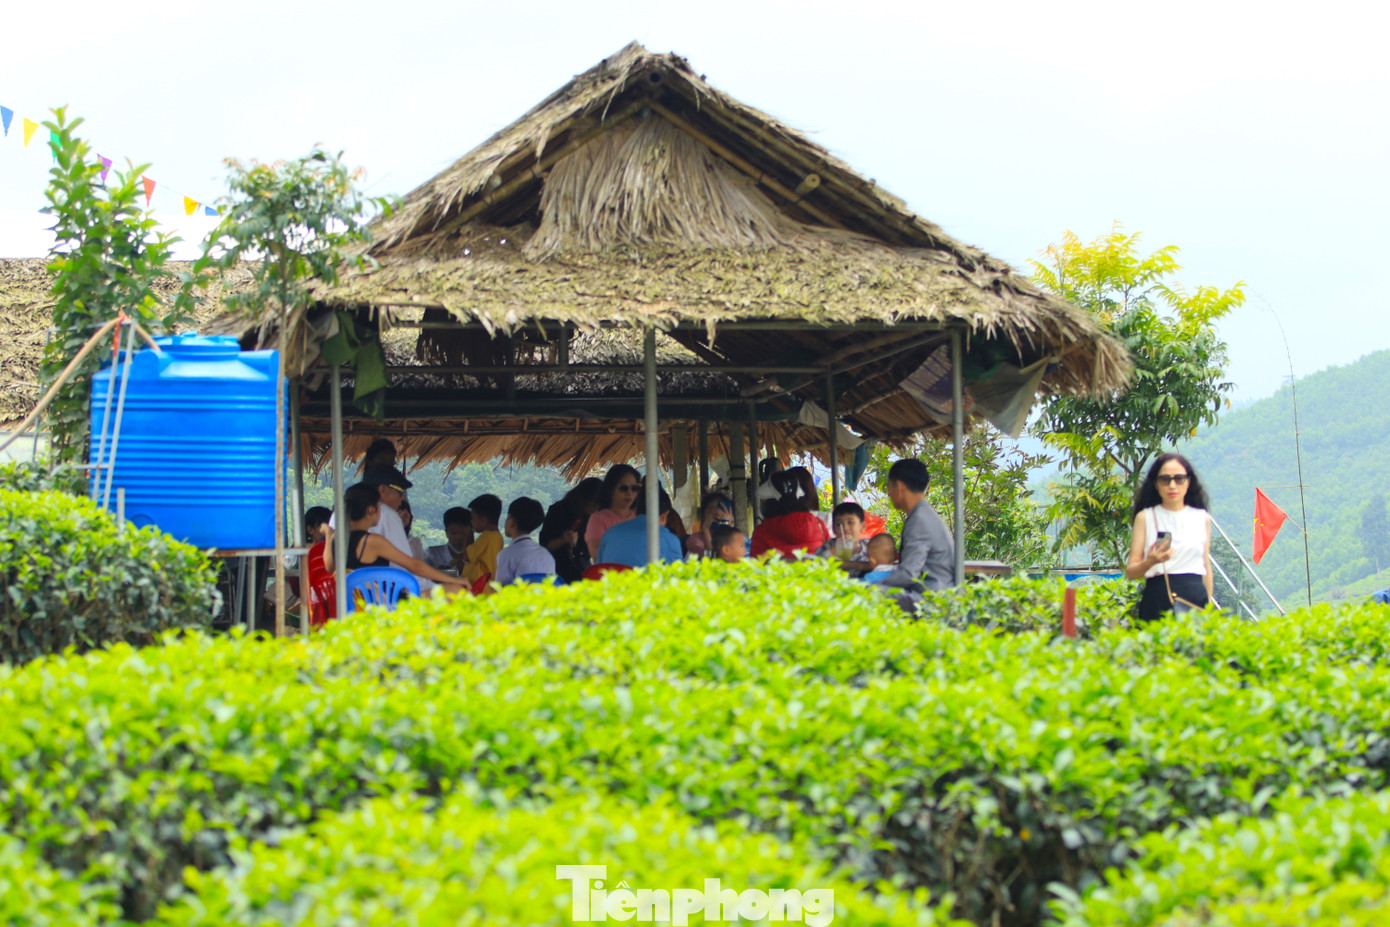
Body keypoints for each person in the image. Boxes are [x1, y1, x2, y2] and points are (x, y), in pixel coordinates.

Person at [321, 484, 467, 592]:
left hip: (353, 604)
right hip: (383, 603)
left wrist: (328, 535)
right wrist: (453, 579)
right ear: (372, 509)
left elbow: (329, 567)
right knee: (456, 591)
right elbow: (414, 566)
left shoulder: (337, 540)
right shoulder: (372, 541)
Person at [1124, 453, 1215, 621]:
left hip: (1195, 599)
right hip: (1158, 598)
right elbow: (1130, 572)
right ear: (1156, 484)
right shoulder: (1146, 518)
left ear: (1188, 481)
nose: (1172, 485)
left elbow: (1205, 566)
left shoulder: (1201, 517)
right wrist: (1151, 561)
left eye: (1179, 479)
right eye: (1165, 479)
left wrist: (1208, 605)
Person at [880, 458, 955, 611]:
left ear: (899, 486)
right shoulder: (924, 513)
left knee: (866, 592)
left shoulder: (919, 519)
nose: (889, 493)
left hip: (931, 600)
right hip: (936, 593)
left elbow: (908, 573)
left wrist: (870, 585)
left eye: (889, 486)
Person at [750, 467, 831, 559]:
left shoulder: (762, 532)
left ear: (769, 503)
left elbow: (756, 568)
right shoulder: (819, 524)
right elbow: (831, 558)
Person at [597, 484, 684, 567]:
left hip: (612, 582)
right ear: (664, 516)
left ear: (634, 510)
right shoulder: (669, 539)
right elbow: (677, 577)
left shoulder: (609, 534)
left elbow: (598, 569)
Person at [540, 477, 604, 583]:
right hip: (557, 571)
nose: (595, 509)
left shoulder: (596, 516)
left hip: (583, 570)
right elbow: (545, 546)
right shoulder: (558, 511)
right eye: (592, 505)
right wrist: (564, 539)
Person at [494, 497, 557, 586]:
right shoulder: (546, 555)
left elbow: (500, 589)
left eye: (507, 517)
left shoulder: (506, 555)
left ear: (512, 521)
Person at [585, 464, 642, 561]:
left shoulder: (639, 517)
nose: (630, 493)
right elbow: (598, 555)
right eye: (624, 488)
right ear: (610, 489)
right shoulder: (598, 519)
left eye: (634, 488)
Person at [462, 494, 505, 585]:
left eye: (472, 518)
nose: (471, 522)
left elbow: (467, 557)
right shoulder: (498, 537)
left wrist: (468, 535)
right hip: (490, 585)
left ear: (483, 521)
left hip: (481, 587)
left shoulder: (486, 536)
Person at [426, 507, 473, 574]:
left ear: (472, 533)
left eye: (463, 533)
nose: (458, 538)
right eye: (454, 533)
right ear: (446, 533)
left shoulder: (479, 555)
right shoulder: (432, 554)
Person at [685, 493, 734, 558]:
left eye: (722, 511)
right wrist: (706, 529)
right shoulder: (695, 540)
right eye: (712, 511)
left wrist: (726, 526)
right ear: (703, 516)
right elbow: (712, 558)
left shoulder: (736, 538)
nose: (717, 515)